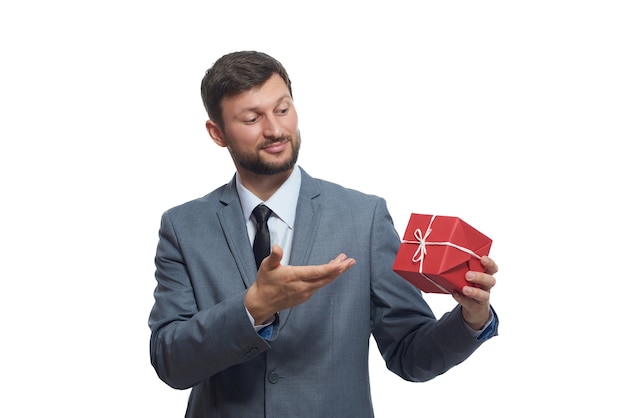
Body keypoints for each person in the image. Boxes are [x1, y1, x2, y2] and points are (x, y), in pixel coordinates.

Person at [148, 50, 499, 417]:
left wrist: (470, 320)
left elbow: (410, 355)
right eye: (252, 118)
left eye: (282, 110)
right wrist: (253, 308)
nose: (274, 130)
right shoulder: (183, 226)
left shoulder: (363, 217)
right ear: (217, 133)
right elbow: (170, 362)